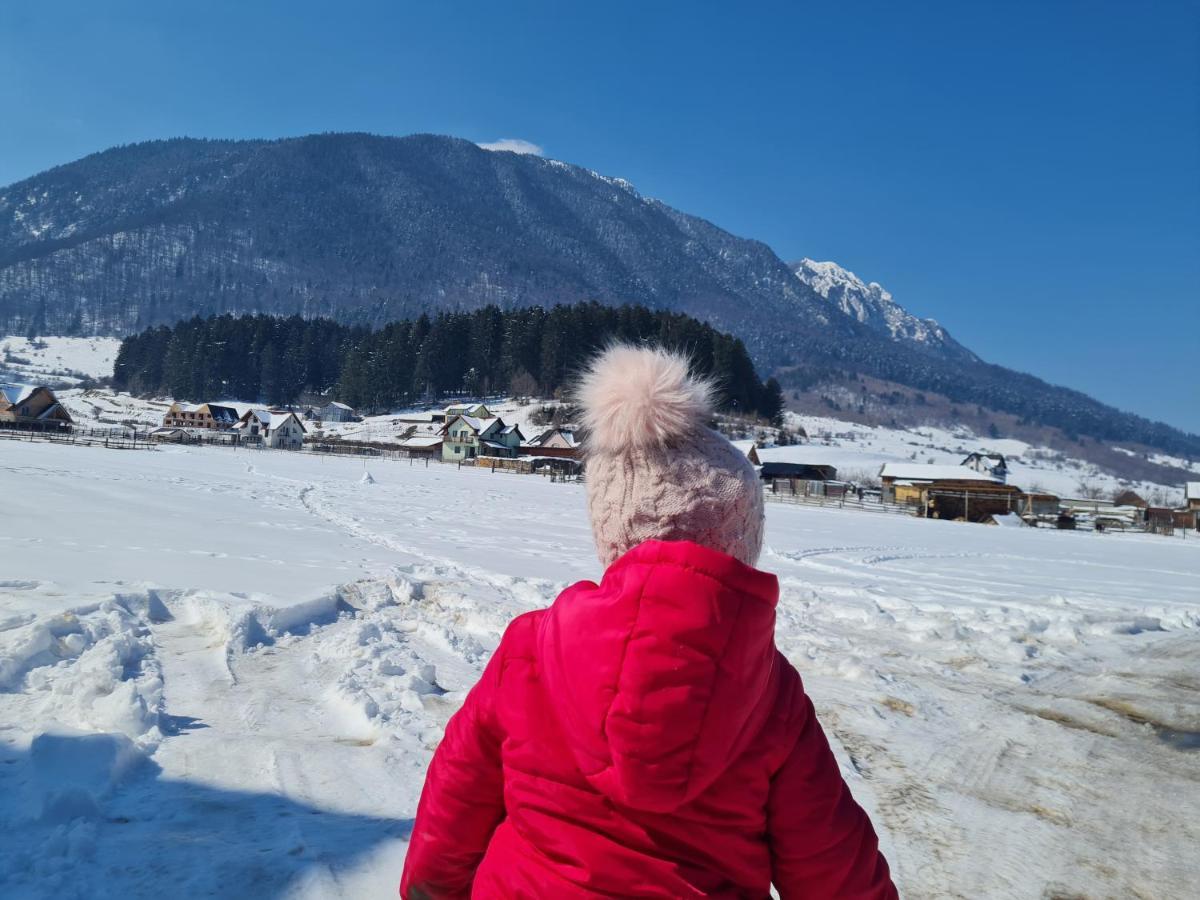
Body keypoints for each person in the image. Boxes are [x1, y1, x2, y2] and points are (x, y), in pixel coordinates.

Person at [401, 345, 897, 899]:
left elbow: (458, 793)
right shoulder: (769, 692)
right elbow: (833, 867)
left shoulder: (533, 649)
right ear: (739, 546)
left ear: (613, 534)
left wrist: (431, 890)